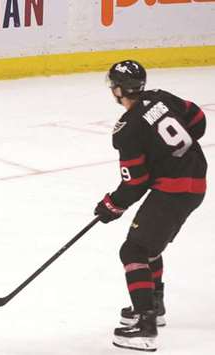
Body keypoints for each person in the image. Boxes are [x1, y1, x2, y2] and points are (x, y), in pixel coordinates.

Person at [94, 60, 207, 352]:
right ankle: (153, 306)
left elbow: (136, 182)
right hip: (196, 182)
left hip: (174, 191)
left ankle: (146, 326)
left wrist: (111, 205)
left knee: (133, 251)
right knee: (150, 246)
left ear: (118, 90)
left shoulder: (126, 130)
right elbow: (198, 120)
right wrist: (173, 154)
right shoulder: (161, 96)